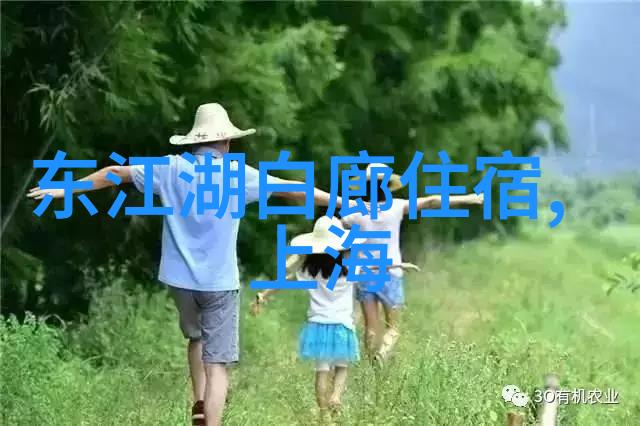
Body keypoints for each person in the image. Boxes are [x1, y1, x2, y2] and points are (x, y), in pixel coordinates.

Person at [27, 103, 355, 426]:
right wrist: (340, 201)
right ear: (226, 141)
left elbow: (115, 173)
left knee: (196, 337)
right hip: (220, 283)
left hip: (180, 282)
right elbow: (295, 191)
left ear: (194, 141)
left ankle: (199, 402)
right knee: (218, 366)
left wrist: (65, 189)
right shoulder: (240, 175)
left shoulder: (168, 169)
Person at [342, 163, 483, 364]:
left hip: (365, 272)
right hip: (392, 271)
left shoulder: (356, 212)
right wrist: (468, 198)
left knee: (370, 326)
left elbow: (337, 228)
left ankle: (371, 366)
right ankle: (383, 354)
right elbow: (432, 201)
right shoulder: (397, 206)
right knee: (393, 327)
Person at [250, 216, 360, 421]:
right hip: (343, 325)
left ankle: (324, 415)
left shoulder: (308, 272)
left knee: (321, 372)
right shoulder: (350, 269)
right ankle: (336, 396)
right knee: (342, 367)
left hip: (317, 327)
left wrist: (263, 295)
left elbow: (284, 280)